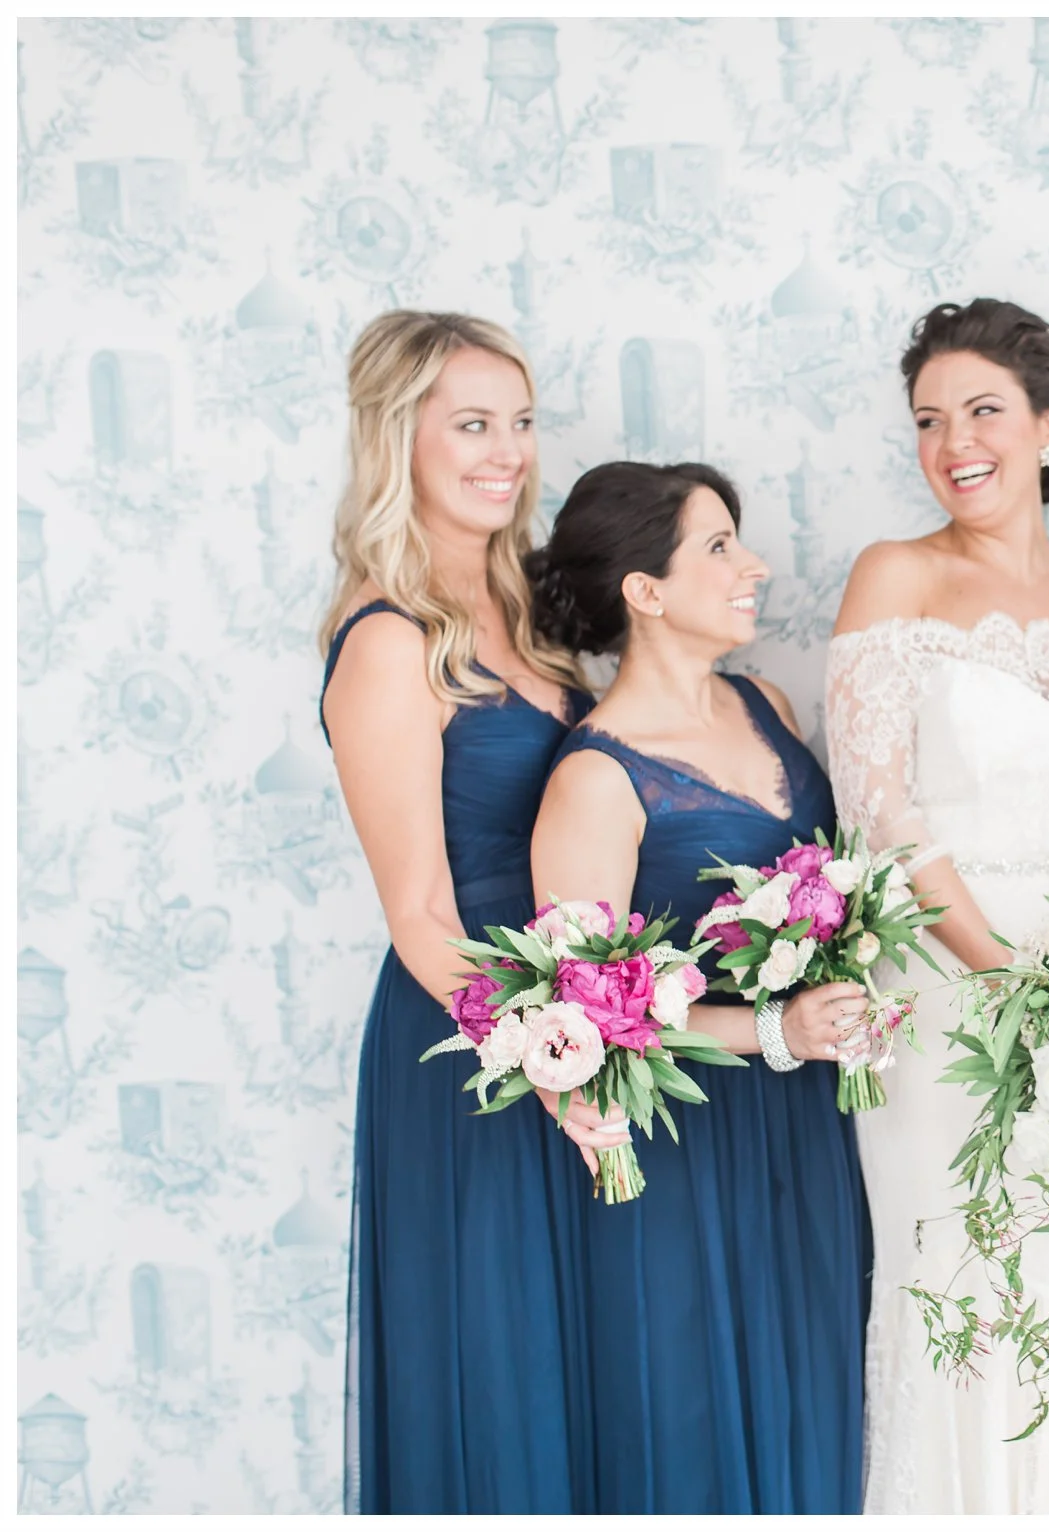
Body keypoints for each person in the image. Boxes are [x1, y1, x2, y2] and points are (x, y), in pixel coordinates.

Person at [826, 298, 1049, 1513]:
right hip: (945, 996)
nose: (952, 443)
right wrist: (999, 971)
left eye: (982, 410)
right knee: (967, 1289)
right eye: (928, 420)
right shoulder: (896, 575)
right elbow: (877, 805)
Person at [526, 460, 870, 1513]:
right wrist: (776, 1027)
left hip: (810, 1123)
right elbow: (586, 1021)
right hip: (687, 1144)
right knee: (700, 1417)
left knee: (822, 1395)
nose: (753, 566)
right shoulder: (595, 778)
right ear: (645, 589)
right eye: (719, 546)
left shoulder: (764, 704)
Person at [318, 310, 598, 1513]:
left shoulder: (526, 600)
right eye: (474, 424)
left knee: (585, 1361)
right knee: (498, 1368)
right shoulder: (388, 636)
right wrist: (545, 1055)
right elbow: (420, 905)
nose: (509, 452)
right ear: (400, 439)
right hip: (471, 1038)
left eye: (520, 422)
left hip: (581, 1028)